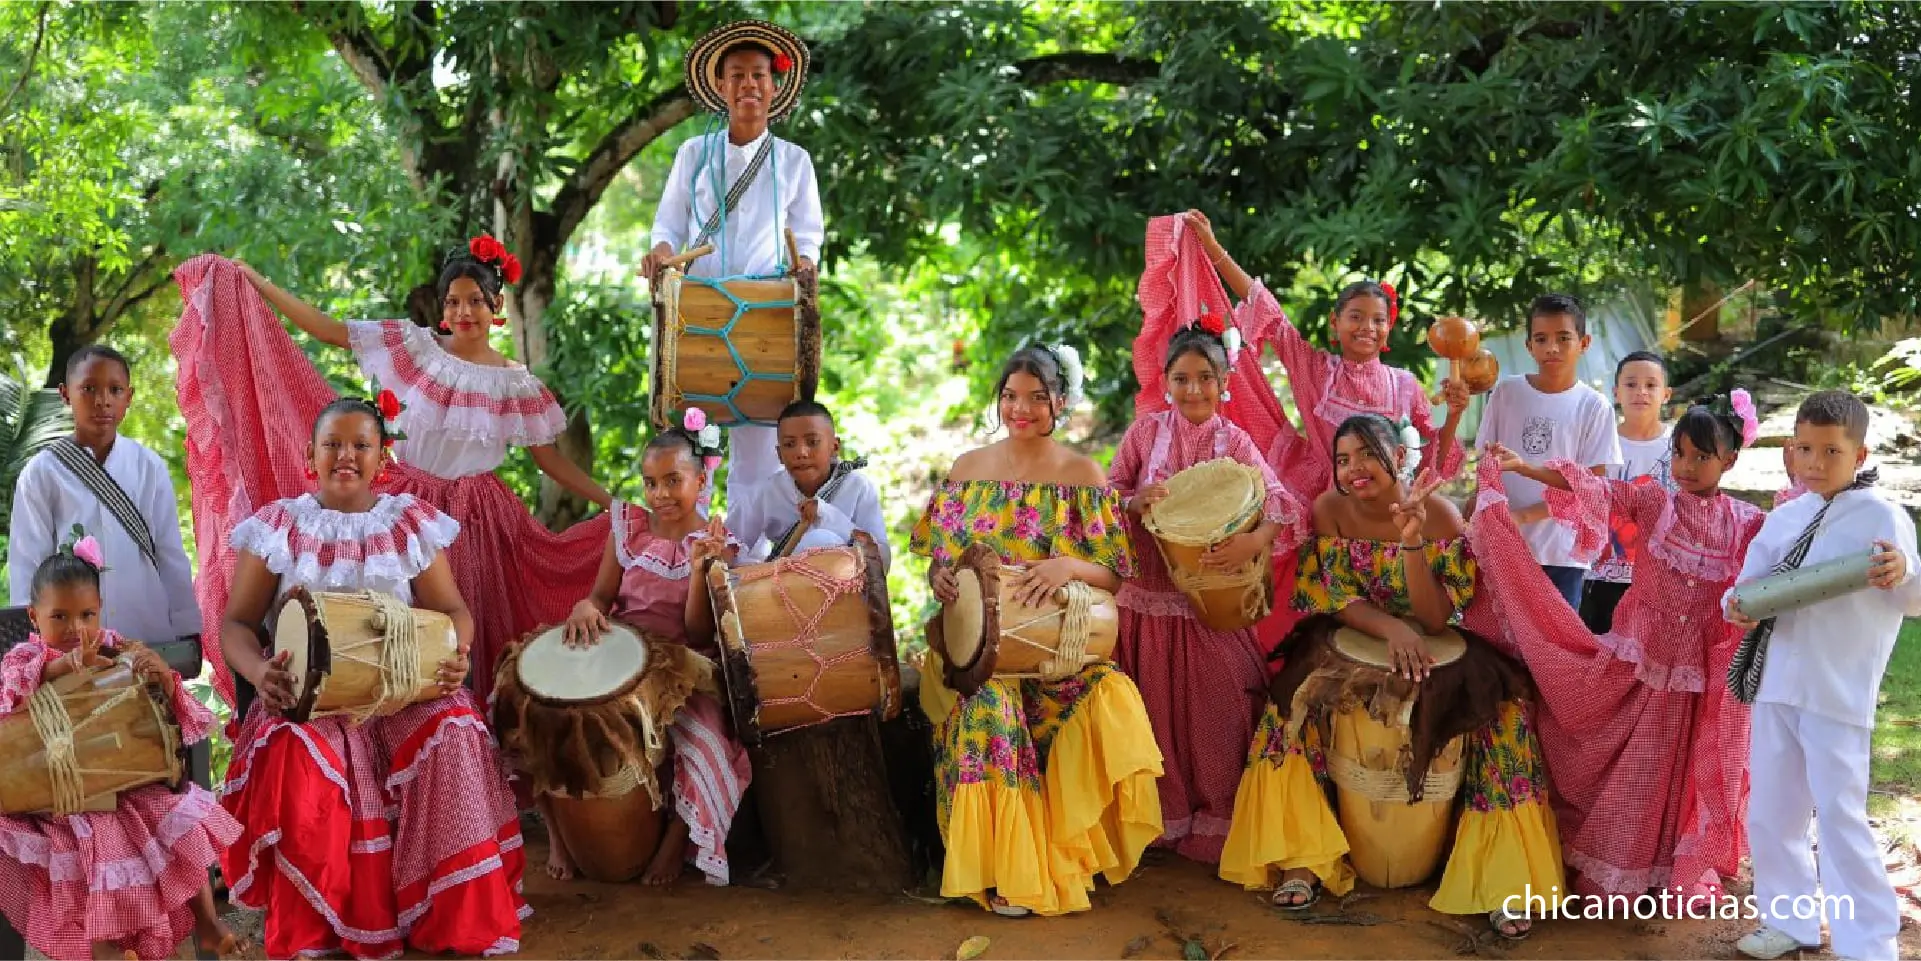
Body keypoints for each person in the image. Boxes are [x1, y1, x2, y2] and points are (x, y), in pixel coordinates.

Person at [174, 245, 612, 706]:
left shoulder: (515, 383)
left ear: (497, 304)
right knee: (388, 627)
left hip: (481, 520)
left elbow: (550, 460)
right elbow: (331, 330)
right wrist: (262, 286)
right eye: (453, 301)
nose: (464, 311)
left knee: (465, 642)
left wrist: (609, 503)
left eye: (476, 301)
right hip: (410, 501)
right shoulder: (415, 347)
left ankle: (471, 753)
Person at [1219, 415, 1562, 941]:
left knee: (1504, 713)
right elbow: (1335, 600)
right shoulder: (1329, 511)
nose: (1354, 469)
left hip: (1433, 639)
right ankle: (1302, 859)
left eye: (1367, 454)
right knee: (1291, 703)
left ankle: (1501, 879)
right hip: (1353, 633)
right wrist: (1388, 630)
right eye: (1343, 459)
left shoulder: (1441, 516)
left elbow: (1434, 620)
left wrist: (1411, 542)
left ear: (1399, 457)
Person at [217, 399, 527, 960]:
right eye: (333, 443)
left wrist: (455, 651)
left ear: (381, 457)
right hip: (309, 701)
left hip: (402, 694)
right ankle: (324, 928)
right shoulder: (279, 526)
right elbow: (235, 624)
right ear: (309, 455)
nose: (346, 455)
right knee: (296, 747)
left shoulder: (408, 522)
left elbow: (455, 612)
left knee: (456, 727)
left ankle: (445, 917)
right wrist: (261, 671)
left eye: (361, 445)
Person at [912, 345, 1163, 917]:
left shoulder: (1081, 474)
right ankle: (1005, 871)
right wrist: (942, 578)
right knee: (988, 710)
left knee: (1107, 693)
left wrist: (1066, 567)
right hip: (973, 655)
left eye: (1035, 397)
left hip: (1052, 655)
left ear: (1061, 403)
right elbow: (938, 561)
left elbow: (1115, 575)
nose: (1020, 408)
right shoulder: (967, 469)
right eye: (1009, 396)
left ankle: (1064, 853)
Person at [1479, 392, 1762, 898]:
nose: (1687, 466)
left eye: (1702, 456)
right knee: (1634, 769)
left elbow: (1785, 552)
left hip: (1700, 677)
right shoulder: (1657, 501)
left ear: (1730, 460)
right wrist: (1526, 467)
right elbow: (1592, 486)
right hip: (1642, 665)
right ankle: (1622, 865)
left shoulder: (1747, 523)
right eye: (1680, 454)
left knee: (1685, 773)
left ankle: (1675, 870)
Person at [1173, 212, 1471, 656]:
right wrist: (1216, 252)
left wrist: (1453, 417)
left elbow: (1431, 465)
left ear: (1388, 330)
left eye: (1377, 320)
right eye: (1355, 317)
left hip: (1390, 515)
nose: (1366, 328)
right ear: (1335, 323)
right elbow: (1267, 310)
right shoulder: (1316, 369)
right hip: (1329, 508)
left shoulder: (1405, 385)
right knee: (1300, 626)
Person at [1724, 390, 1918, 961]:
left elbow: (1915, 594)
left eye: (1831, 451)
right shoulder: (1785, 518)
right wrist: (1734, 606)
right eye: (1805, 448)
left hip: (1839, 689)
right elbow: (1745, 588)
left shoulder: (1883, 516)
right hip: (1778, 683)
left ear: (1859, 455)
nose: (1814, 462)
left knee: (1839, 815)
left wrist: (1903, 569)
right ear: (1791, 450)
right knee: (1773, 812)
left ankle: (1868, 941)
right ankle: (1790, 922)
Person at [1110, 321, 1303, 863]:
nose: (1193, 389)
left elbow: (1283, 502)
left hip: (1211, 603)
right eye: (1181, 378)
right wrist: (1134, 500)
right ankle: (1159, 820)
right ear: (1166, 382)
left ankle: (1217, 822)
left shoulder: (1236, 441)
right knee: (1153, 715)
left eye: (1205, 378)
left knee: (1221, 707)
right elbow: (1108, 490)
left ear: (1224, 383)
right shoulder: (1145, 434)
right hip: (1146, 599)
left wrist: (1254, 542)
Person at [0, 538, 243, 961]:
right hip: (55, 798)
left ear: (100, 611)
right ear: (34, 618)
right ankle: (106, 949)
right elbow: (13, 697)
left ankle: (206, 922)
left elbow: (163, 710)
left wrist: (161, 677)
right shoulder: (25, 658)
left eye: (87, 615)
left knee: (174, 819)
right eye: (59, 616)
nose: (76, 629)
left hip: (121, 784)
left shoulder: (115, 647)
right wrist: (61, 668)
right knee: (88, 852)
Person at [547, 421, 751, 887]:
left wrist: (701, 570)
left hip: (685, 663)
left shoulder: (718, 544)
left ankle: (674, 842)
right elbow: (601, 596)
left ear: (701, 480)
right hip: (623, 649)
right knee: (544, 708)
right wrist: (585, 606)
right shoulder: (629, 528)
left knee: (702, 736)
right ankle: (559, 831)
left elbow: (697, 629)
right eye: (651, 482)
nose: (659, 494)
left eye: (672, 481)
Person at [640, 19, 824, 517]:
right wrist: (659, 253)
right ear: (720, 86)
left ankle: (748, 569)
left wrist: (805, 265)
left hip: (766, 315)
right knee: (690, 442)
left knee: (759, 455)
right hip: (699, 311)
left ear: (775, 85)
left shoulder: (794, 160)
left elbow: (808, 235)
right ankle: (689, 560)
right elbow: (667, 224)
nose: (749, 85)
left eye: (759, 75)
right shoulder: (693, 153)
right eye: (737, 75)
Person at [8, 345, 199, 647]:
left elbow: (169, 552)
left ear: (129, 397)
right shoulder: (42, 473)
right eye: (88, 389)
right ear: (65, 393)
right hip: (70, 647)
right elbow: (28, 564)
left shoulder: (148, 467)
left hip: (146, 636)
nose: (102, 401)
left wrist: (188, 629)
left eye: (115, 390)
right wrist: (31, 646)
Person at [1472, 293, 1622, 609]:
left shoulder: (1594, 407)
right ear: (1529, 346)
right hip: (1504, 545)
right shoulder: (1506, 392)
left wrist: (1525, 515)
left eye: (1563, 338)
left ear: (1584, 343)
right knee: (1499, 643)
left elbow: (1591, 489)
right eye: (1541, 338)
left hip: (1561, 552)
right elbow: (1486, 467)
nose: (1551, 347)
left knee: (1557, 648)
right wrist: (1488, 518)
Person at [1580, 350, 1677, 633]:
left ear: (1666, 394)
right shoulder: (1599, 443)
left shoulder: (1679, 445)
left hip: (1660, 576)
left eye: (1651, 385)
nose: (1641, 392)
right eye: (1631, 384)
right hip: (1600, 574)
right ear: (1616, 392)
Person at [728, 400, 889, 567]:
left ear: (834, 447)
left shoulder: (858, 487)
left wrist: (826, 515)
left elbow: (883, 559)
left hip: (846, 587)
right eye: (789, 444)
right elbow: (729, 543)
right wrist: (760, 567)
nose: (801, 453)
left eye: (812, 442)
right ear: (779, 454)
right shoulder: (767, 492)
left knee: (822, 539)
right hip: (785, 586)